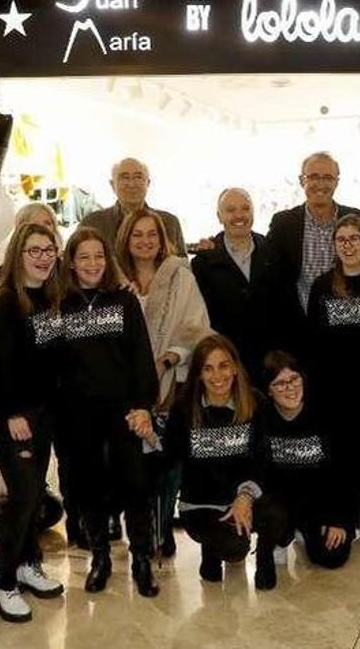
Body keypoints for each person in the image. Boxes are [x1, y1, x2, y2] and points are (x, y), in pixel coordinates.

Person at [57, 227, 160, 596]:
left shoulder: (125, 301)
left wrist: (144, 406)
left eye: (99, 256)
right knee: (89, 488)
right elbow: (51, 363)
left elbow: (141, 358)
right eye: (83, 257)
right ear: (71, 262)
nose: (92, 263)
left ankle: (143, 560)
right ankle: (99, 557)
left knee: (135, 486)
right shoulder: (59, 305)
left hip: (123, 412)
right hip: (78, 416)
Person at [0, 223, 67, 622]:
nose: (43, 257)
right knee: (24, 496)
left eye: (48, 249)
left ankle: (27, 563)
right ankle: (2, 581)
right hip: (12, 415)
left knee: (34, 496)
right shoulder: (4, 304)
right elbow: (1, 367)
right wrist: (13, 414)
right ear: (18, 255)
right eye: (34, 250)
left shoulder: (50, 297)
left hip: (43, 412)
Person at [117, 207, 211, 555]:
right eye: (137, 234)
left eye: (151, 234)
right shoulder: (113, 278)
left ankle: (163, 527)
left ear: (162, 239)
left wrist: (169, 356)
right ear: (126, 239)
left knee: (168, 460)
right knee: (133, 462)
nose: (145, 241)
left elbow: (196, 323)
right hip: (126, 386)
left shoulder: (180, 276)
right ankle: (139, 530)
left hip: (172, 381)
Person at [165, 334, 282, 590]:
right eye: (208, 368)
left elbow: (262, 458)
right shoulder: (184, 408)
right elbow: (171, 455)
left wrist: (245, 497)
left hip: (242, 495)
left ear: (236, 368)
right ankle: (211, 548)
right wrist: (150, 434)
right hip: (201, 503)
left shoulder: (255, 402)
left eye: (224, 365)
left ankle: (265, 558)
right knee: (234, 548)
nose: (217, 376)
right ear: (198, 374)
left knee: (278, 515)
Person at [306, 214, 360, 552]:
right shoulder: (323, 287)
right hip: (334, 389)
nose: (348, 245)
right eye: (341, 239)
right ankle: (344, 515)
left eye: (355, 238)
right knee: (339, 455)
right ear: (334, 245)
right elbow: (313, 342)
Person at [258, 351, 353, 572]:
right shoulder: (262, 420)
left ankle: (306, 531)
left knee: (331, 557)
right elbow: (259, 473)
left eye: (294, 379)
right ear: (269, 391)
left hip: (320, 502)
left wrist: (337, 519)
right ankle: (283, 534)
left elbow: (344, 471)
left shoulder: (326, 414)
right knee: (276, 520)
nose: (289, 388)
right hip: (282, 504)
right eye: (279, 383)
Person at [191, 187, 298, 380]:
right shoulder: (203, 263)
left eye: (245, 208)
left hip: (272, 365)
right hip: (226, 367)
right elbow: (202, 319)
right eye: (231, 210)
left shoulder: (275, 255)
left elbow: (289, 311)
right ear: (219, 216)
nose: (239, 215)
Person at [266, 152, 360, 322]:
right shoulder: (283, 223)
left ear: (336, 182)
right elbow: (266, 263)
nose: (320, 184)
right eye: (313, 177)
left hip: (348, 322)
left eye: (328, 177)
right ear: (301, 180)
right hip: (297, 326)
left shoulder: (359, 219)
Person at [81, 157, 187, 256]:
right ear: (112, 185)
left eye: (138, 177)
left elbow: (183, 269)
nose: (131, 184)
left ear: (148, 183)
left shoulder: (169, 223)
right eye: (125, 177)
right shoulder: (93, 224)